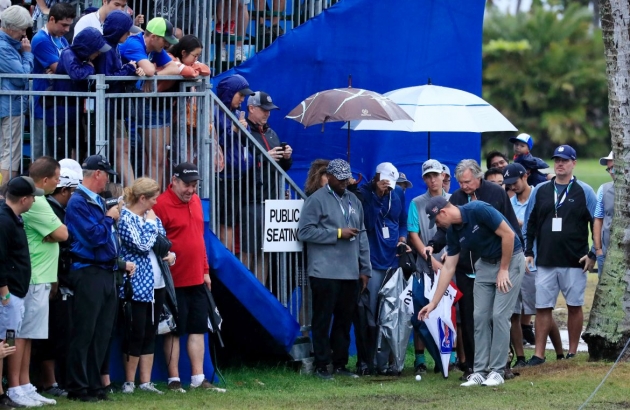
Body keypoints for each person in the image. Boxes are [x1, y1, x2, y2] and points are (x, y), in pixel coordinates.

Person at [427, 159, 522, 380]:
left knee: (499, 315)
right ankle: (479, 371)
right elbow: (449, 267)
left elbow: (509, 234)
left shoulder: (481, 207)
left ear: (442, 213)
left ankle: (498, 370)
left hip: (510, 259)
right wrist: (433, 303)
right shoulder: (452, 229)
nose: (437, 225)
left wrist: (504, 269)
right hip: (484, 264)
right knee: (479, 316)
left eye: (435, 220)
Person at [64, 155, 134, 402]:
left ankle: (95, 385)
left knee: (102, 332)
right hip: (88, 271)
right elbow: (93, 237)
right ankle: (78, 387)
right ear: (97, 174)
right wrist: (109, 217)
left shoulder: (96, 201)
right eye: (106, 175)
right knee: (85, 331)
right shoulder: (78, 202)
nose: (107, 181)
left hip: (106, 272)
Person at [152, 162, 225, 393]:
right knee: (173, 330)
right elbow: (154, 243)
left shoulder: (195, 201)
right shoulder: (161, 205)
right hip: (172, 280)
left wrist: (205, 270)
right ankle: (174, 380)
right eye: (186, 185)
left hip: (196, 277)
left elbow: (199, 238)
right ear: (173, 181)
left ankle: (198, 378)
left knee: (197, 329)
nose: (191, 190)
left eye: (194, 185)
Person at [297, 159, 371, 380]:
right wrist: (338, 233)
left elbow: (363, 234)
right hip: (324, 271)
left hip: (350, 271)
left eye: (346, 179)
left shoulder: (353, 201)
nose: (343, 184)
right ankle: (321, 364)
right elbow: (305, 232)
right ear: (328, 176)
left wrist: (364, 268)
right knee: (322, 319)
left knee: (343, 320)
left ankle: (340, 364)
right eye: (339, 179)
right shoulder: (316, 200)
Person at [523, 145, 597, 366]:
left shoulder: (584, 191)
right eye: (557, 160)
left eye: (565, 160)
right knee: (542, 307)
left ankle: (572, 352)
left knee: (574, 305)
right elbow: (530, 222)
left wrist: (593, 253)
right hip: (545, 259)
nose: (560, 164)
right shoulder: (541, 190)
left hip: (575, 260)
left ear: (574, 163)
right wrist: (528, 252)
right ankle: (539, 354)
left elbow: (597, 223)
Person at [9, 157, 67, 407]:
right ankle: (15, 387)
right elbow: (63, 234)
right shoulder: (38, 202)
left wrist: (52, 236)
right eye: (57, 177)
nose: (59, 182)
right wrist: (53, 236)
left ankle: (24, 384)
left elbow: (60, 235)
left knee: (28, 335)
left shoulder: (39, 200)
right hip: (32, 279)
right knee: (20, 335)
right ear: (45, 180)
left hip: (38, 278)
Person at [502, 163, 564, 367]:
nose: (513, 187)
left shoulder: (539, 195)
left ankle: (560, 352)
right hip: (514, 261)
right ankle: (520, 357)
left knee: (541, 309)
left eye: (516, 182)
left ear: (525, 176)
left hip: (534, 261)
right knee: (514, 313)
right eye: (509, 184)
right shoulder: (510, 202)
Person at [118, 178, 174, 395]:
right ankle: (129, 382)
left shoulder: (152, 217)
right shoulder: (126, 218)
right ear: (142, 198)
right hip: (136, 283)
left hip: (158, 283)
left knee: (151, 331)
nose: (156, 203)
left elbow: (162, 242)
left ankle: (145, 381)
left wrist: (171, 255)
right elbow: (140, 245)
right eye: (153, 198)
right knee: (136, 331)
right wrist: (150, 224)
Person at [356, 162, 407, 376]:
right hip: (372, 260)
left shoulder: (398, 194)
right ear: (377, 177)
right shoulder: (364, 193)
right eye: (385, 183)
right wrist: (377, 195)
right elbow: (366, 221)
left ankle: (385, 361)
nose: (389, 188)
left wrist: (402, 238)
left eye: (391, 185)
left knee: (391, 313)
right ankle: (366, 361)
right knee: (370, 313)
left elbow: (402, 220)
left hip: (392, 261)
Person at [119, 17, 181, 189]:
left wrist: (155, 74)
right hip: (121, 104)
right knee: (134, 155)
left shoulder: (154, 48)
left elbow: (174, 67)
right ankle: (144, 198)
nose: (167, 45)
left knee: (157, 158)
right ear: (153, 36)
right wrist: (152, 72)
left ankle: (152, 198)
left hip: (134, 102)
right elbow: (149, 70)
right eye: (164, 40)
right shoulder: (135, 43)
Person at [0, 177, 43, 409]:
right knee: (4, 342)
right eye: (33, 197)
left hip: (15, 293)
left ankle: (9, 390)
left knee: (8, 341)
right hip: (9, 296)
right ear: (25, 199)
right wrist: (5, 295)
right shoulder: (4, 221)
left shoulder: (12, 218)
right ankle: (5, 392)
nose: (35, 200)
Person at [242, 91, 293, 282]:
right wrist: (263, 158)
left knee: (265, 253)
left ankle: (260, 298)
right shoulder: (243, 132)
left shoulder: (272, 133)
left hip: (271, 199)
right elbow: (238, 164)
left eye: (269, 111)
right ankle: (243, 295)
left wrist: (286, 157)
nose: (267, 114)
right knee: (249, 252)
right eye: (264, 110)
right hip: (251, 200)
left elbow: (282, 168)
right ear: (251, 108)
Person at [39, 163, 80, 396]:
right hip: (50, 276)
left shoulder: (59, 209)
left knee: (61, 331)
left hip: (60, 275)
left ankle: (58, 380)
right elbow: (62, 238)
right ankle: (49, 381)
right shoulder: (48, 208)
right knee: (51, 332)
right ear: (64, 191)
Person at [407, 159, 451, 374]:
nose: (433, 179)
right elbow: (413, 234)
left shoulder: (454, 200)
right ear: (424, 179)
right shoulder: (416, 202)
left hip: (449, 265)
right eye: (428, 176)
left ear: (443, 176)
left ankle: (446, 356)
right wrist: (430, 259)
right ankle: (420, 358)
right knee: (421, 313)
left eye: (436, 175)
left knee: (447, 314)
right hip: (424, 266)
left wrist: (448, 258)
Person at [93, 9, 144, 184]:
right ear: (117, 30)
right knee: (110, 150)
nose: (129, 34)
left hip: (115, 109)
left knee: (122, 149)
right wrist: (129, 68)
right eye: (126, 31)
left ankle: (129, 190)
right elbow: (109, 78)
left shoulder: (114, 47)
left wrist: (131, 69)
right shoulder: (106, 49)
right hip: (107, 109)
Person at [48, 28, 111, 160]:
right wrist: (89, 67)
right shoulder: (68, 53)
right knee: (62, 152)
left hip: (76, 112)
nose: (99, 53)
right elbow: (76, 74)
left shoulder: (83, 57)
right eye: (97, 49)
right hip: (62, 112)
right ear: (88, 47)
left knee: (80, 148)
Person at [214, 74, 254, 252]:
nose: (243, 99)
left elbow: (246, 144)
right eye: (241, 95)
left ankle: (227, 262)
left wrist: (244, 131)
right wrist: (234, 130)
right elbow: (214, 145)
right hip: (223, 179)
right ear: (229, 93)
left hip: (238, 178)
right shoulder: (214, 112)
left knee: (231, 224)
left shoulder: (237, 114)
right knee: (225, 225)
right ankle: (224, 264)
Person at [30, 2, 75, 159]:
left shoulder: (61, 39)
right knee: (42, 154)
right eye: (64, 25)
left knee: (54, 153)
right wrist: (64, 66)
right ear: (52, 19)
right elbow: (64, 68)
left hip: (56, 106)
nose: (67, 30)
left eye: (69, 26)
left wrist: (65, 66)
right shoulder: (41, 40)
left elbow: (68, 66)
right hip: (42, 105)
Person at [0, 5, 33, 182]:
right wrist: (27, 55)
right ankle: (4, 197)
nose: (23, 33)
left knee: (6, 152)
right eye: (21, 29)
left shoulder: (10, 44)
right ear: (11, 27)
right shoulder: (4, 47)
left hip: (10, 104)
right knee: (10, 153)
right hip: (10, 106)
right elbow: (22, 77)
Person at [593, 151, 614, 277]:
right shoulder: (604, 189)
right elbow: (598, 219)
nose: (611, 172)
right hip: (605, 254)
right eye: (609, 169)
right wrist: (598, 250)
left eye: (614, 168)